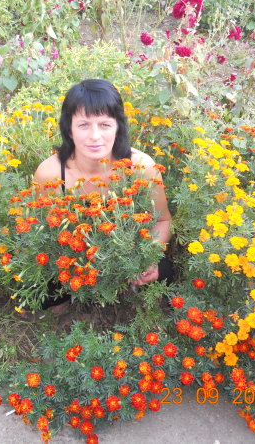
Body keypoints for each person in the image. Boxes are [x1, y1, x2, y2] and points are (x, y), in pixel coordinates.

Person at [33, 79, 172, 307]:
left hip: (128, 256)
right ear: (69, 129)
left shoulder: (140, 167)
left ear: (118, 127)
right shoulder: (50, 174)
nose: (95, 136)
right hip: (76, 260)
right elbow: (41, 234)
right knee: (40, 296)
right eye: (84, 125)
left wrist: (149, 257)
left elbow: (163, 220)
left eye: (105, 124)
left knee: (164, 273)